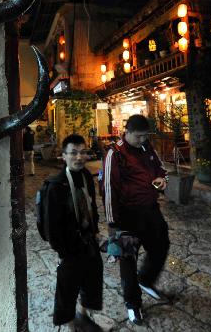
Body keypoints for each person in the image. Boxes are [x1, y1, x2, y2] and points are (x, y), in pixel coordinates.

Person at [102, 114, 169, 325]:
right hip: (127, 216)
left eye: (145, 136)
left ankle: (146, 280)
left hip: (150, 210)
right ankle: (133, 305)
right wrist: (113, 224)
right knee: (128, 262)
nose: (143, 140)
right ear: (128, 132)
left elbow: (160, 168)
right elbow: (109, 189)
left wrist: (161, 179)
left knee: (161, 245)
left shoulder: (146, 147)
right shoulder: (115, 153)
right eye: (139, 136)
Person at [44, 134, 103, 331]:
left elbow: (92, 205)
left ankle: (85, 316)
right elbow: (52, 226)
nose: (79, 157)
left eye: (83, 152)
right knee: (67, 289)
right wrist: (62, 251)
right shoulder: (56, 186)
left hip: (89, 241)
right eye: (73, 153)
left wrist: (95, 230)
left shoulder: (86, 176)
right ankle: (70, 325)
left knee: (92, 279)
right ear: (63, 156)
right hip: (69, 248)